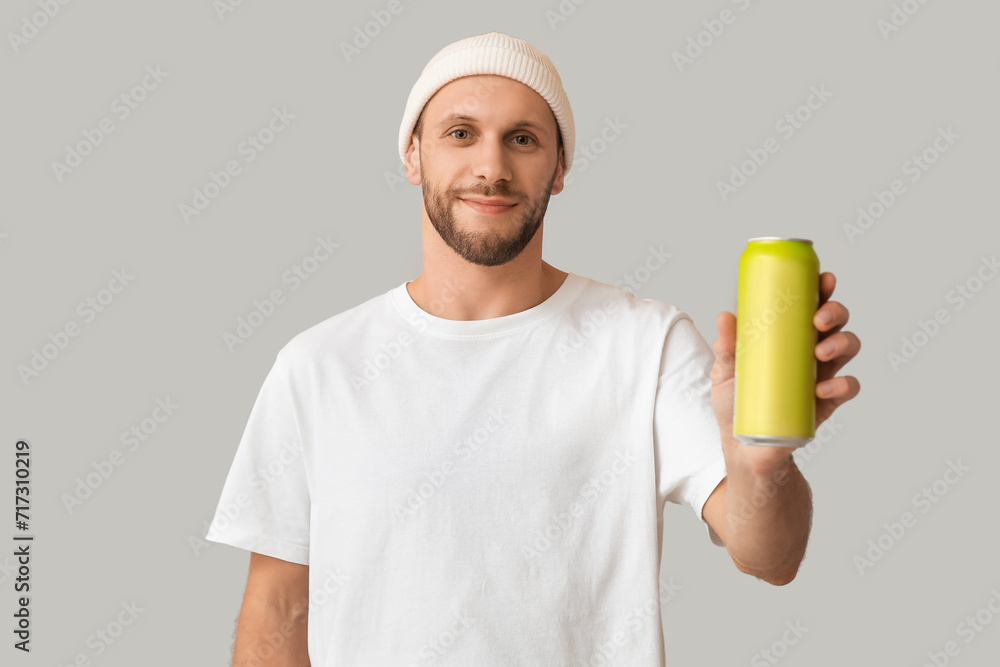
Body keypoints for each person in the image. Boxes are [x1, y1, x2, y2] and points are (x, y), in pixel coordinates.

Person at [205, 31, 861, 666]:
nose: (491, 167)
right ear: (413, 155)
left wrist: (762, 466)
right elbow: (275, 606)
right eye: (461, 133)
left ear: (560, 168)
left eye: (522, 139)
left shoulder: (645, 345)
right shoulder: (319, 365)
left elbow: (771, 556)